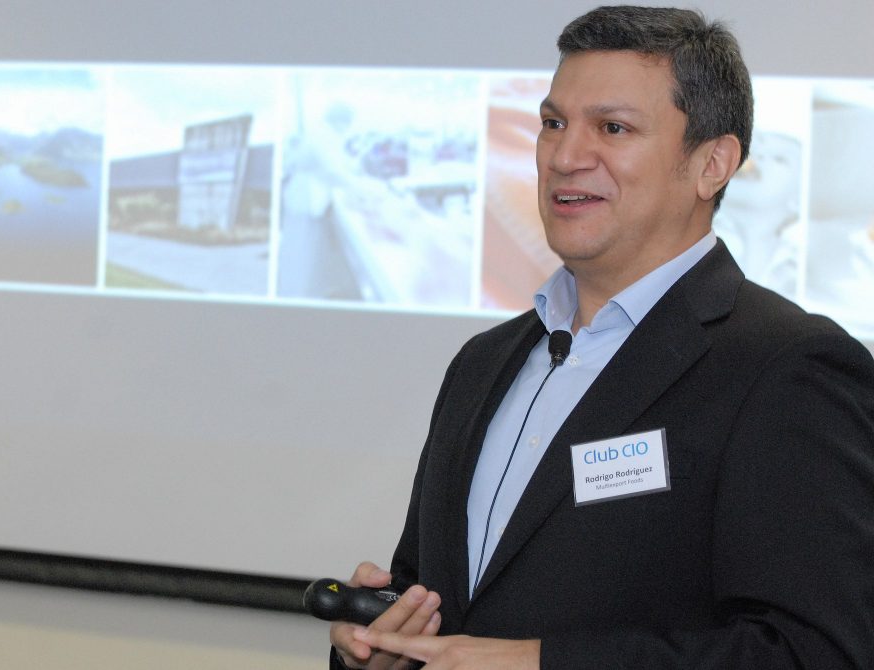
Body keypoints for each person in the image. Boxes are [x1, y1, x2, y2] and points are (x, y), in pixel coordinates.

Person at [329, 6, 874, 669]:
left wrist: (540, 664)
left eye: (612, 128)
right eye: (553, 124)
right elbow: (437, 604)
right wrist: (380, 645)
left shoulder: (788, 367)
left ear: (713, 164)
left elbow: (816, 654)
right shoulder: (483, 363)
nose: (564, 157)